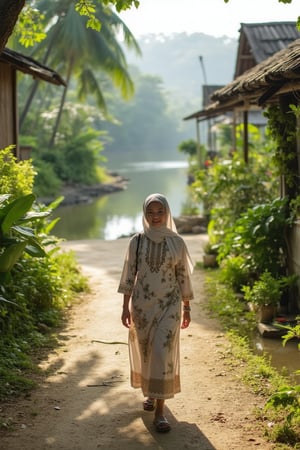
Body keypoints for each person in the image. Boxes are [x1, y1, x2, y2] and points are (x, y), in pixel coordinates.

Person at [118, 193, 194, 433]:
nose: (155, 217)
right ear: (145, 214)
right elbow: (129, 275)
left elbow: (183, 276)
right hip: (142, 307)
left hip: (169, 306)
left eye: (160, 212)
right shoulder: (137, 241)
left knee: (162, 352)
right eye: (150, 213)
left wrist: (187, 307)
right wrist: (124, 306)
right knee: (148, 352)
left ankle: (160, 412)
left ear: (167, 212)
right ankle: (150, 394)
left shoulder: (177, 243)